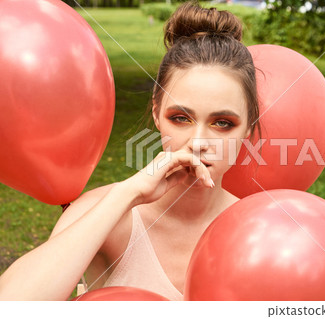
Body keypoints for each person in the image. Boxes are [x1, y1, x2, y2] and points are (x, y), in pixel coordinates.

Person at [0, 1, 260, 300]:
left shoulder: (261, 231)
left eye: (223, 123)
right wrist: (129, 193)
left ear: (249, 126)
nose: (199, 142)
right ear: (156, 112)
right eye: (180, 118)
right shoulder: (106, 214)